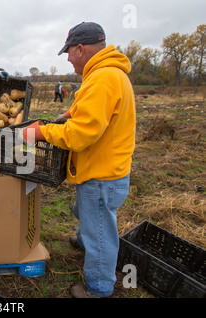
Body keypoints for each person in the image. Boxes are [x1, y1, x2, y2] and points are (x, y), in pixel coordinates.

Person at [19, 22, 136, 298]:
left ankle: (98, 288)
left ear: (80, 49)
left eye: (68, 52)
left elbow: (82, 135)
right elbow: (95, 114)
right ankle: (85, 241)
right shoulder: (108, 75)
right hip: (108, 170)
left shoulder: (103, 78)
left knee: (100, 231)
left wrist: (41, 132)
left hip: (102, 175)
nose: (68, 58)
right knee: (87, 212)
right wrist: (71, 113)